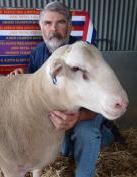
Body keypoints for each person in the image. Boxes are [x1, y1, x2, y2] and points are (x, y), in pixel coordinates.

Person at [10, 2, 121, 177]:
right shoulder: (37, 53)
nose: (53, 29)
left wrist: (77, 118)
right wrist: (20, 78)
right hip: (55, 119)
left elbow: (98, 101)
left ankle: (85, 171)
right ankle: (104, 137)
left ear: (69, 27)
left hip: (83, 115)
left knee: (85, 133)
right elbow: (31, 91)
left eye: (60, 22)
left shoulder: (85, 52)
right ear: (41, 27)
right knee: (64, 149)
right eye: (47, 23)